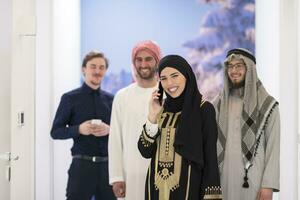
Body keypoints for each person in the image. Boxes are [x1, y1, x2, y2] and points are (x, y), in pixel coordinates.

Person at [138, 55, 222, 200]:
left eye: (175, 76)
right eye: (163, 78)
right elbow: (145, 151)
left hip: (189, 191)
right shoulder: (160, 108)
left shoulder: (203, 109)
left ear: (187, 76)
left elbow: (210, 159)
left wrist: (211, 196)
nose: (169, 83)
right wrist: (152, 117)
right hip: (155, 191)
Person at [214, 48, 280, 200]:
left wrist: (268, 185)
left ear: (249, 69)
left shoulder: (268, 106)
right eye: (230, 66)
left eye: (239, 66)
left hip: (253, 181)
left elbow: (273, 149)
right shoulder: (218, 104)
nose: (234, 70)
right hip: (224, 179)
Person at [50, 51, 116, 200]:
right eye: (93, 66)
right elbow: (55, 132)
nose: (97, 71)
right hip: (81, 167)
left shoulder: (112, 100)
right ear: (84, 69)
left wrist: (110, 130)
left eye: (101, 67)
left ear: (105, 71)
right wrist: (79, 129)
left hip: (107, 169)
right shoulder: (69, 98)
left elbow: (122, 132)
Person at [108, 40, 162, 199]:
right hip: (129, 175)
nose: (143, 64)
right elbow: (115, 140)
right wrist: (116, 178)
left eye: (148, 59)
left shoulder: (167, 94)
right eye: (139, 59)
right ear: (133, 63)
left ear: (157, 62)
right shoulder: (122, 96)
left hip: (162, 174)